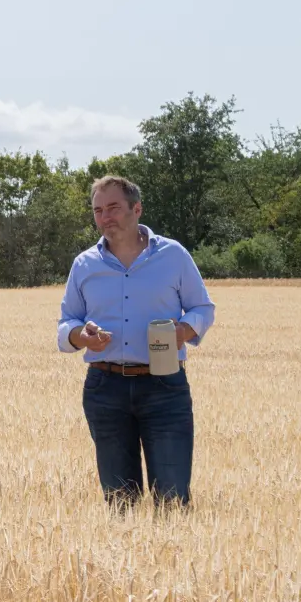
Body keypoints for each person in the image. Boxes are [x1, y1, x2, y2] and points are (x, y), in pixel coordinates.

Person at [58, 175, 215, 506]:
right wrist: (80, 336)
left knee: (172, 499)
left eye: (113, 207)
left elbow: (202, 308)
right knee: (119, 503)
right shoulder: (84, 264)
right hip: (104, 387)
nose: (105, 217)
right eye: (98, 210)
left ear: (137, 208)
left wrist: (184, 331)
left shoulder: (173, 255)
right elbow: (67, 322)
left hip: (164, 387)